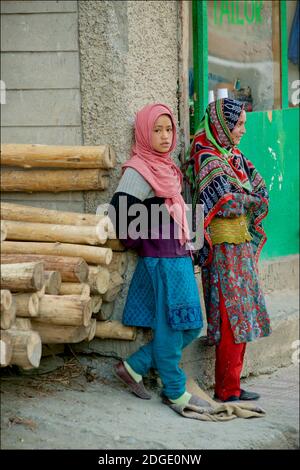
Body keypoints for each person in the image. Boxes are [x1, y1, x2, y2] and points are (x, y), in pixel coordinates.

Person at [109, 103, 207, 409]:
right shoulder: (139, 169)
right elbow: (119, 214)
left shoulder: (167, 167)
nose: (165, 136)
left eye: (169, 129)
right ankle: (174, 390)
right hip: (162, 261)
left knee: (190, 326)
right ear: (143, 132)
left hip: (178, 256)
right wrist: (155, 220)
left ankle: (135, 366)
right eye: (157, 130)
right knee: (173, 326)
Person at [182, 98, 271, 402]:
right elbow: (226, 204)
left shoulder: (233, 156)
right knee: (230, 316)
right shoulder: (207, 157)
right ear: (223, 124)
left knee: (243, 314)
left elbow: (261, 189)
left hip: (240, 246)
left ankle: (233, 384)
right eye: (240, 124)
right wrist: (245, 199)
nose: (243, 130)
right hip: (222, 250)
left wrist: (244, 197)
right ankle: (226, 389)